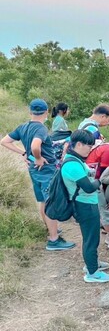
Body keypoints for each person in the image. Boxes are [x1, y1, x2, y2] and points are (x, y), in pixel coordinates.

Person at [0, 98, 75, 251]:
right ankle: (54, 240)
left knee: (42, 200)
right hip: (45, 169)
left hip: (34, 170)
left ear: (30, 112)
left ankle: (51, 230)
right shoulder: (40, 128)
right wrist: (39, 158)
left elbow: (4, 141)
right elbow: (35, 146)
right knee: (50, 202)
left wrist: (23, 154)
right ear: (46, 111)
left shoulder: (23, 126)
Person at [61, 130, 109, 283]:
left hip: (88, 203)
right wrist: (99, 181)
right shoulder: (72, 165)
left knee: (92, 237)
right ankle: (92, 273)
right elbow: (89, 187)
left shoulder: (74, 159)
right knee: (91, 239)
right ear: (78, 144)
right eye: (88, 146)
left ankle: (93, 264)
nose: (90, 149)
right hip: (84, 205)